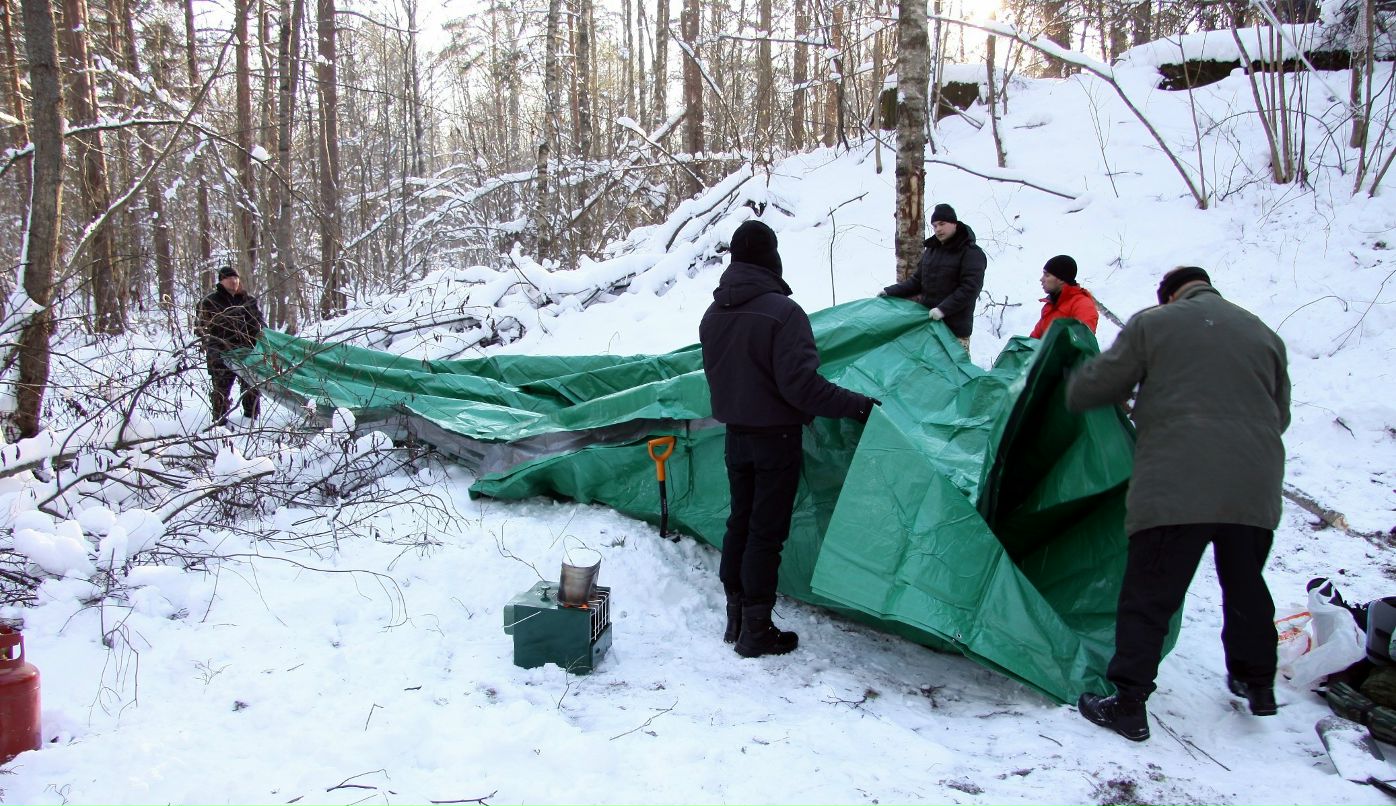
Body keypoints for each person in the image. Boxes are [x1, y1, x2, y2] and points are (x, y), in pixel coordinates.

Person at [1065, 266, 1290, 742]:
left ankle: (1127, 705)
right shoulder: (1262, 333)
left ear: (1169, 296)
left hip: (1177, 481)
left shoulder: (1155, 323)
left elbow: (1096, 385)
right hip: (1254, 482)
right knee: (1246, 586)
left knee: (1151, 593)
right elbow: (1281, 415)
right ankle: (1257, 683)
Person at [699, 220, 880, 658]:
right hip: (775, 437)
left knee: (739, 524)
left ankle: (737, 618)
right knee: (765, 534)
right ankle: (756, 632)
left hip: (735, 437)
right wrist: (860, 407)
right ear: (770, 258)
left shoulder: (713, 314)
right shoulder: (783, 313)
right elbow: (802, 388)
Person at [880, 203, 987, 354]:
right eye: (935, 225)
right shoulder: (931, 251)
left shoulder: (971, 253)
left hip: (954, 331)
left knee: (954, 374)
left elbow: (970, 289)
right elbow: (917, 281)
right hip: (929, 326)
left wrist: (943, 310)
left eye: (942, 224)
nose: (938, 229)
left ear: (954, 223)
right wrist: (890, 292)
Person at [195, 265, 266, 426]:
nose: (233, 281)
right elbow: (201, 329)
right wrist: (216, 345)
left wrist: (263, 335)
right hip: (220, 354)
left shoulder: (248, 301)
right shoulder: (209, 302)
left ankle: (251, 420)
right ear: (221, 281)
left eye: (236, 278)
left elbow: (259, 323)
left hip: (247, 352)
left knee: (251, 387)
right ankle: (220, 423)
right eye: (229, 278)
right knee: (221, 390)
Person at [1029, 255, 1098, 339]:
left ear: (1061, 279)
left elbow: (1082, 340)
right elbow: (1033, 339)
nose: (1041, 279)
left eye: (1047, 275)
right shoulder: (1050, 305)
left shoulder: (1082, 304)